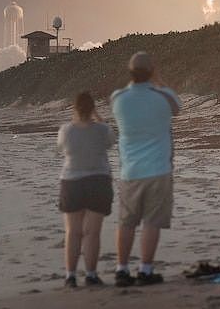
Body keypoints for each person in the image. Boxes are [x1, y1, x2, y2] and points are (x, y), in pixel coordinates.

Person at [110, 52, 180, 287]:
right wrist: (158, 81)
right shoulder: (164, 97)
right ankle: (145, 269)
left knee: (127, 222)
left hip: (130, 170)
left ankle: (121, 269)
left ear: (130, 72)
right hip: (158, 168)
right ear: (152, 72)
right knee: (151, 221)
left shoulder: (118, 98)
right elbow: (176, 107)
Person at [57, 92, 115, 288]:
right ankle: (91, 274)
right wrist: (98, 117)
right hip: (98, 181)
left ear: (74, 109)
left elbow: (61, 148)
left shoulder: (67, 130)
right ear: (93, 109)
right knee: (92, 232)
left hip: (72, 181)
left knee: (73, 232)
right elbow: (111, 142)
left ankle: (70, 276)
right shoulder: (102, 129)